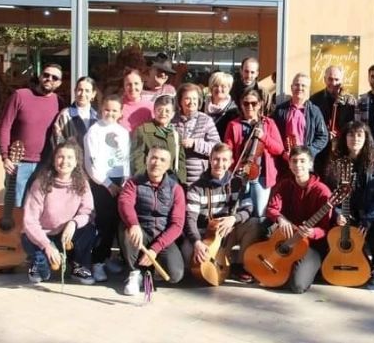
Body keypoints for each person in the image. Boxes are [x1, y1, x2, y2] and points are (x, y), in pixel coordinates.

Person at [21, 141, 97, 285]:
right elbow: (29, 221)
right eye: (60, 157)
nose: (65, 161)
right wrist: (46, 245)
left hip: (66, 235)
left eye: (69, 158)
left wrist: (74, 223)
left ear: (76, 162)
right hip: (43, 235)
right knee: (42, 272)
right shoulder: (41, 183)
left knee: (89, 229)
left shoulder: (82, 183)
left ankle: (79, 266)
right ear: (54, 160)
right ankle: (38, 262)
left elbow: (88, 211)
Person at [183, 143, 260, 282]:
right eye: (216, 159)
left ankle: (239, 266)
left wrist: (234, 218)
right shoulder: (196, 188)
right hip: (206, 234)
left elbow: (248, 208)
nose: (219, 164)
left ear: (231, 162)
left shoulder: (238, 182)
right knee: (190, 258)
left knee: (254, 223)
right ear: (210, 160)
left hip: (229, 232)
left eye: (224, 160)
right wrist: (197, 243)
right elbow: (190, 220)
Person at [324, 121, 374, 285]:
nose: (355, 138)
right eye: (351, 134)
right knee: (333, 234)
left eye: (360, 135)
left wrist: (368, 219)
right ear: (344, 138)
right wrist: (338, 214)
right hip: (346, 215)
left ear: (366, 138)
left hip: (369, 216)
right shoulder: (336, 164)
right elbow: (331, 194)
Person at [118, 145, 186, 296]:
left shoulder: (176, 189)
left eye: (162, 160)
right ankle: (134, 273)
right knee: (127, 228)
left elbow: (177, 224)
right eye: (153, 158)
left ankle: (152, 269)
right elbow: (125, 203)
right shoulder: (133, 183)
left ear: (168, 165)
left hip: (162, 235)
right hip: (140, 230)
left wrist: (155, 249)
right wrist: (134, 224)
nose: (157, 163)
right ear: (146, 160)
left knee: (175, 276)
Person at [265, 146, 332, 293]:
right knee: (264, 227)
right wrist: (281, 219)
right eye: (294, 161)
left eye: (302, 161)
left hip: (312, 246)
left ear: (310, 164)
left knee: (297, 286)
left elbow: (325, 229)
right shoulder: (285, 184)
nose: (298, 165)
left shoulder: (322, 191)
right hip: (288, 239)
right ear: (289, 164)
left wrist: (312, 232)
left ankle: (310, 268)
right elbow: (271, 208)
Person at [0, 63, 65, 207]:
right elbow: (4, 126)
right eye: (46, 75)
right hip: (18, 162)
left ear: (59, 83)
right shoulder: (20, 95)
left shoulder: (59, 103)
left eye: (54, 77)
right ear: (40, 76)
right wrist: (5, 156)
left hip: (45, 164)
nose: (49, 79)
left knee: (39, 207)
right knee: (15, 207)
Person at [83, 94, 130, 282]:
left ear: (120, 112)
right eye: (107, 110)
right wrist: (108, 184)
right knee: (103, 224)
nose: (110, 113)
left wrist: (126, 181)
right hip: (102, 183)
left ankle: (107, 256)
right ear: (101, 109)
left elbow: (125, 159)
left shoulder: (123, 132)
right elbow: (91, 163)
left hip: (120, 181)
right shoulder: (94, 132)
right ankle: (97, 262)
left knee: (115, 225)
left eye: (114, 110)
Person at [224, 89, 284, 218]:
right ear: (241, 104)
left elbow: (279, 149)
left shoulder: (268, 123)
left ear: (260, 104)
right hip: (240, 176)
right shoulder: (233, 125)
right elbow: (227, 152)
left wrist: (264, 137)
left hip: (261, 177)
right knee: (238, 213)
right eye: (246, 103)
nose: (250, 107)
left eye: (253, 103)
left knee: (259, 214)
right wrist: (235, 166)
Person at [272, 73, 328, 167]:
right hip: (284, 160)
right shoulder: (280, 110)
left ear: (308, 90)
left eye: (303, 85)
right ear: (291, 87)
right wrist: (282, 152)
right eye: (296, 85)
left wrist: (308, 152)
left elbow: (323, 137)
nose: (299, 88)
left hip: (304, 162)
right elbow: (273, 135)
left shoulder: (314, 111)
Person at [309, 65, 356, 176]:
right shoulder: (314, 99)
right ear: (324, 79)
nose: (333, 83)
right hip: (321, 150)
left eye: (337, 79)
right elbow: (311, 125)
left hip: (342, 148)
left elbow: (353, 125)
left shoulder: (351, 100)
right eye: (330, 79)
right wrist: (325, 133)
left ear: (342, 80)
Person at [131, 95, 187, 184]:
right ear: (154, 111)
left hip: (170, 182)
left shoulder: (176, 135)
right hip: (148, 182)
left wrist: (181, 182)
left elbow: (181, 161)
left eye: (167, 111)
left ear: (173, 114)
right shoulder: (142, 131)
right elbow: (137, 159)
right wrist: (144, 180)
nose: (163, 114)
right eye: (160, 110)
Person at [173, 83, 220, 188]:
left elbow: (216, 147)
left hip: (199, 176)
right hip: (176, 174)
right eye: (187, 98)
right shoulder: (172, 120)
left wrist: (195, 143)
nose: (191, 102)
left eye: (194, 98)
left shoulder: (206, 120)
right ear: (180, 101)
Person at [52, 76, 98, 150]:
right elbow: (57, 143)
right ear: (75, 91)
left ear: (93, 94)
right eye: (80, 90)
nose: (82, 94)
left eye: (87, 91)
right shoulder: (65, 115)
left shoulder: (97, 116)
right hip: (72, 160)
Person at [203, 71, 240, 139]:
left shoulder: (234, 111)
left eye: (223, 86)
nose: (219, 89)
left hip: (223, 147)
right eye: (216, 86)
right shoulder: (202, 106)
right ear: (211, 87)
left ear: (229, 88)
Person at [120, 68, 154, 133]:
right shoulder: (117, 105)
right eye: (129, 84)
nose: (133, 87)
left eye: (136, 83)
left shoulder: (150, 107)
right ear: (124, 85)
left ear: (142, 84)